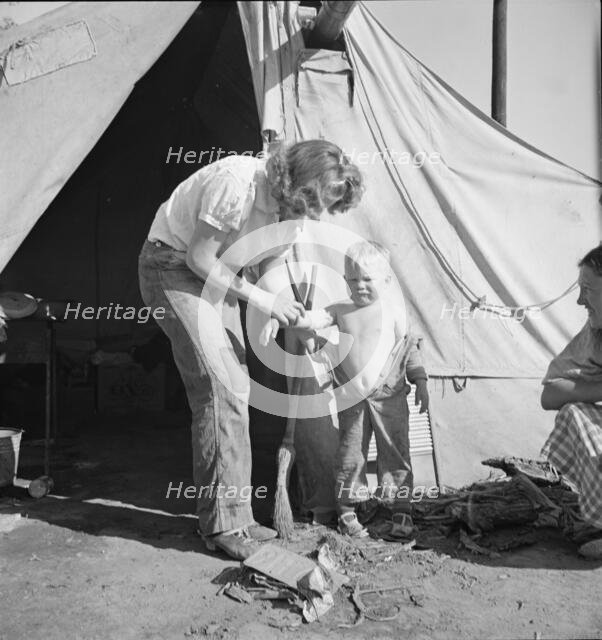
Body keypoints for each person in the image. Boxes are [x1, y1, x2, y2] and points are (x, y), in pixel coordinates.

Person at [138, 140, 364, 560]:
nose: (316, 214)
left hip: (219, 275)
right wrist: (263, 303)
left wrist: (281, 309)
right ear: (296, 181)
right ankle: (221, 524)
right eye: (315, 201)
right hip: (172, 267)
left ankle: (237, 515)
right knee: (219, 387)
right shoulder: (235, 184)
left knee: (238, 388)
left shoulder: (295, 213)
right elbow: (199, 257)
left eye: (325, 207)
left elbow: (269, 265)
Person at [293, 241, 429, 537]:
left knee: (395, 450)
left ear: (387, 281)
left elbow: (409, 349)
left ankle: (401, 509)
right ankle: (347, 510)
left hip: (389, 395)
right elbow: (315, 319)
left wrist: (420, 382)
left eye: (368, 280)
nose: (360, 286)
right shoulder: (341, 310)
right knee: (350, 453)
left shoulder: (393, 311)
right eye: (353, 280)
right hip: (352, 398)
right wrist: (299, 319)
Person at [540, 244, 602, 559]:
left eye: (587, 290)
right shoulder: (595, 334)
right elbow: (550, 393)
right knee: (575, 414)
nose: (580, 301)